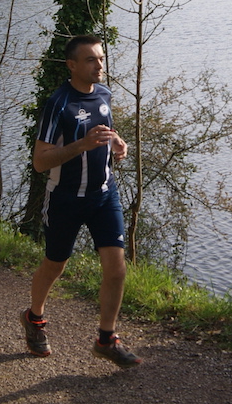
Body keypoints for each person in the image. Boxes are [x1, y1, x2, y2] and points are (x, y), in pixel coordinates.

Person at [19, 34, 142, 368]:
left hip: (104, 194)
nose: (99, 65)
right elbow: (40, 161)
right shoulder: (58, 103)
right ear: (72, 65)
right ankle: (34, 317)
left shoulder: (104, 94)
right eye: (90, 60)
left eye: (101, 58)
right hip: (66, 198)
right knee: (55, 264)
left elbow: (105, 131)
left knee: (116, 268)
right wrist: (80, 146)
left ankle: (106, 339)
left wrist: (117, 143)